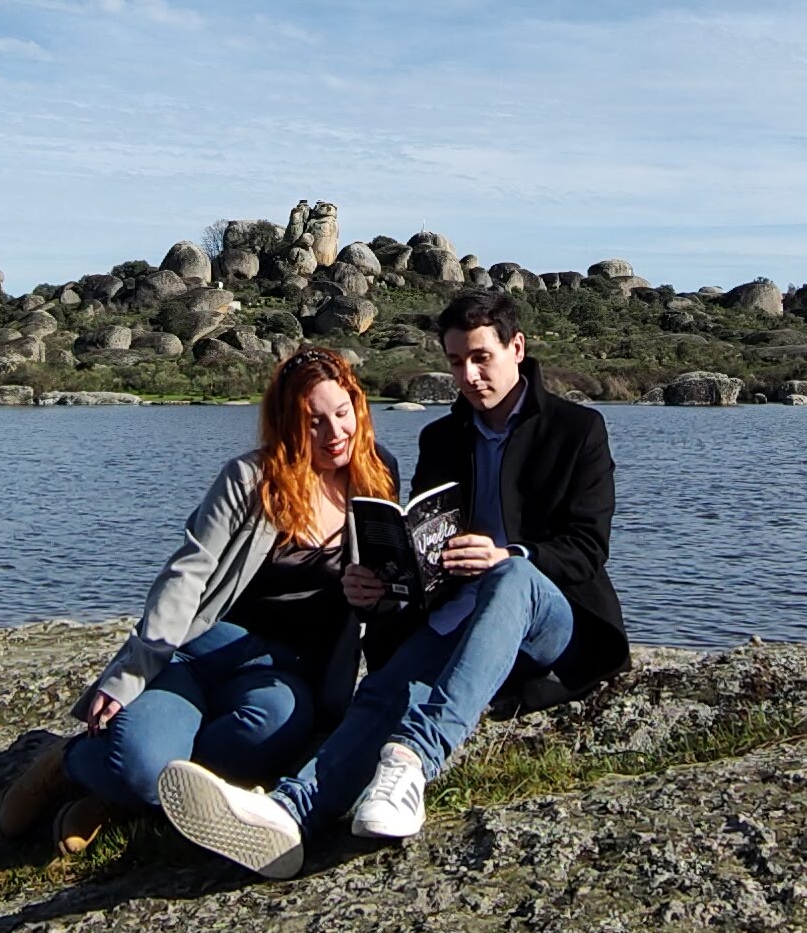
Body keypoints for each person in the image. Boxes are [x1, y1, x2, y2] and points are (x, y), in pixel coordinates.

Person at [157, 285, 626, 879]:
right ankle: (288, 813)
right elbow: (426, 548)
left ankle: (411, 763)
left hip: (553, 621)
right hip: (467, 613)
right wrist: (380, 586)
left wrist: (508, 552)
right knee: (388, 689)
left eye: (482, 357)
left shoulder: (578, 429)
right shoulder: (442, 439)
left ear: (517, 347)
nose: (469, 375)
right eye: (457, 362)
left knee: (510, 576)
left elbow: (588, 548)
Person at [0, 346, 397, 854]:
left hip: (281, 671)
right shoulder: (250, 479)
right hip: (197, 651)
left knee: (275, 738)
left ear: (358, 407)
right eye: (313, 421)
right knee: (140, 764)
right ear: (288, 424)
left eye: (342, 414)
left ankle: (121, 799)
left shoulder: (378, 475)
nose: (334, 434)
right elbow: (186, 575)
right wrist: (133, 672)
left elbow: (388, 577)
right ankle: (71, 764)